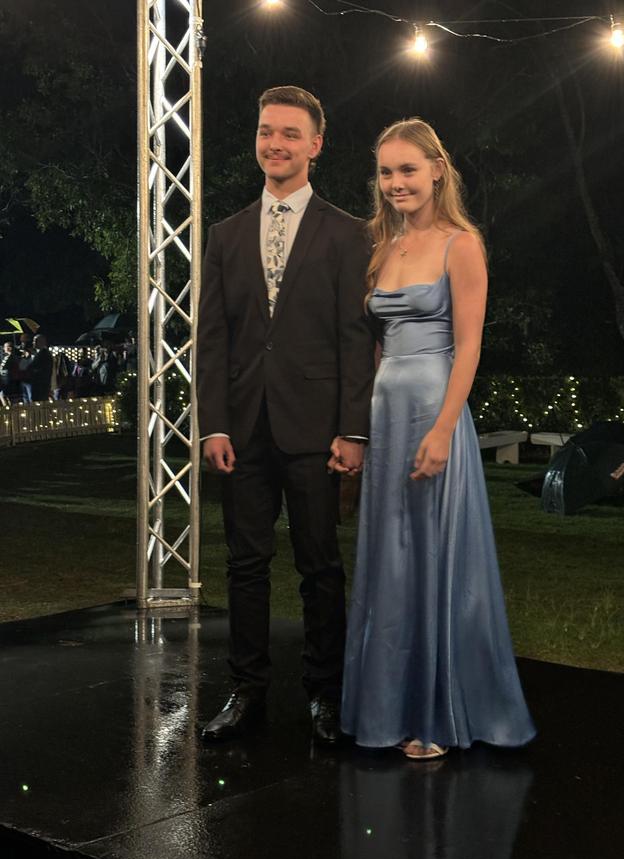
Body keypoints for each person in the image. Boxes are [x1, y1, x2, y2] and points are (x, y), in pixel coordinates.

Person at [339, 119, 536, 760]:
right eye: (386, 172)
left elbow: (471, 344)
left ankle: (437, 713)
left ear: (436, 172)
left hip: (433, 410)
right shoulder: (378, 244)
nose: (396, 183)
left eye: (407, 170)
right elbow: (373, 346)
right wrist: (362, 428)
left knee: (433, 559)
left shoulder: (461, 245)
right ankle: (385, 707)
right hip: (387, 411)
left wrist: (446, 429)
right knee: (391, 561)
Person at [196, 85, 375, 745]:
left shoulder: (349, 233)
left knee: (320, 566)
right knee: (244, 565)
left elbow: (357, 340)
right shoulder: (224, 234)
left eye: (290, 133)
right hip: (240, 431)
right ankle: (245, 694)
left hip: (317, 429)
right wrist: (213, 421)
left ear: (315, 144)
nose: (276, 143)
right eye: (268, 131)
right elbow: (212, 339)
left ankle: (325, 697)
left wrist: (354, 430)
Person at [25, 334, 53, 402]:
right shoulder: (41, 353)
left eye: (35, 341)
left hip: (40, 385)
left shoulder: (43, 354)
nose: (33, 343)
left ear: (42, 342)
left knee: (39, 402)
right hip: (41, 384)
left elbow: (35, 367)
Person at [0, 341, 20, 406]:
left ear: (10, 348)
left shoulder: (13, 357)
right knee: (3, 395)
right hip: (5, 380)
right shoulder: (7, 357)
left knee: (6, 396)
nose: (4, 348)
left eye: (5, 347)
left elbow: (10, 369)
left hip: (9, 380)